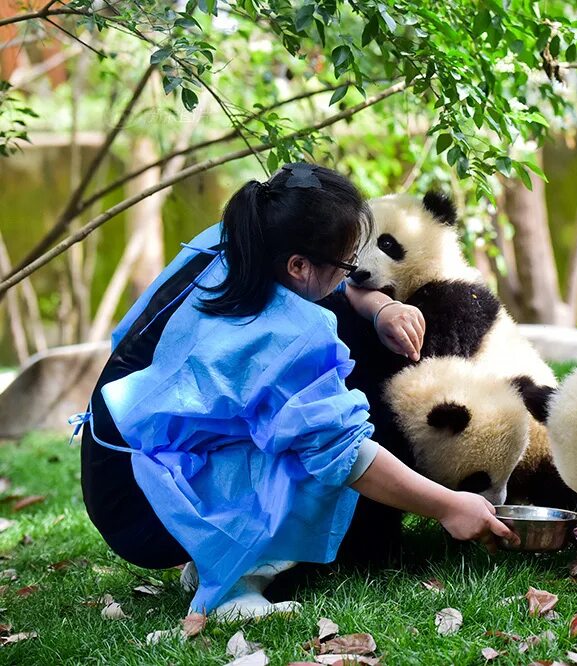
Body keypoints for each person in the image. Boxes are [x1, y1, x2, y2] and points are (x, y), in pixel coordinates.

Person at [78, 162, 516, 620]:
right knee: (310, 445)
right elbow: (346, 455)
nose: (354, 274)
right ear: (299, 265)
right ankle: (230, 592)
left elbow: (337, 287)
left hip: (120, 463)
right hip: (141, 511)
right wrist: (448, 506)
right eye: (348, 261)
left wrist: (380, 307)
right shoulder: (280, 332)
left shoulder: (239, 243)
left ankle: (215, 554)